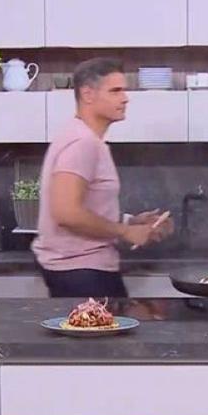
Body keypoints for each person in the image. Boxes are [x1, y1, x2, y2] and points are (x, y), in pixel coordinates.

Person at [31, 57, 172, 297]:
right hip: (82, 272)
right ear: (87, 94)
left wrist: (130, 221)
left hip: (79, 269)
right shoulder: (83, 143)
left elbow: (83, 207)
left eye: (124, 90)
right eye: (115, 91)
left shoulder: (81, 137)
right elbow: (66, 213)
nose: (125, 98)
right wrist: (125, 232)